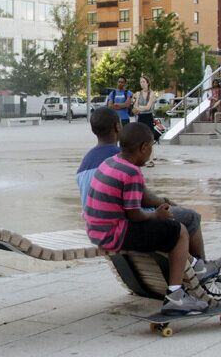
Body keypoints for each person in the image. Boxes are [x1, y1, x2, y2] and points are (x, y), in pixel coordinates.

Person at [77, 108, 221, 277]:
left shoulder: (86, 161)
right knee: (190, 218)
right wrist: (164, 203)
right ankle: (201, 270)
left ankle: (193, 267)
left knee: (173, 218)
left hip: (96, 224)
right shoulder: (122, 157)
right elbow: (142, 199)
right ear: (118, 127)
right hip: (121, 224)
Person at [84, 122, 208, 315]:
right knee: (179, 231)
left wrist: (161, 207)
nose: (152, 151)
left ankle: (197, 267)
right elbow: (134, 214)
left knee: (172, 224)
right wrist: (157, 215)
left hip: (96, 231)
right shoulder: (132, 172)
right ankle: (176, 296)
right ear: (143, 148)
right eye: (152, 146)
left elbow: (135, 202)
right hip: (115, 234)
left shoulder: (111, 162)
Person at [132, 77, 161, 150]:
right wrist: (140, 107)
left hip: (148, 117)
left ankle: (151, 159)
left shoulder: (152, 93)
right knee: (140, 138)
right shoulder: (138, 93)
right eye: (141, 82)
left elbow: (148, 107)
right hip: (140, 117)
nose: (142, 83)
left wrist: (139, 107)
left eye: (143, 82)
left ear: (147, 83)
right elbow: (135, 106)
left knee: (150, 138)